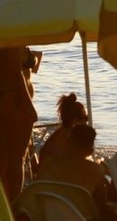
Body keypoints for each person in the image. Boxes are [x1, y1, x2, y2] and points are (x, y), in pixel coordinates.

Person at [0, 47, 39, 202]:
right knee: (17, 159)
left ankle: (5, 206)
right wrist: (28, 105)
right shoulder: (12, 36)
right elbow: (16, 71)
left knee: (4, 159)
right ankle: (13, 206)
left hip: (7, 97)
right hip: (15, 100)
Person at [39, 92, 89, 165]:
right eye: (84, 119)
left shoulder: (59, 134)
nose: (86, 123)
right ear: (75, 120)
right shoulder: (69, 138)